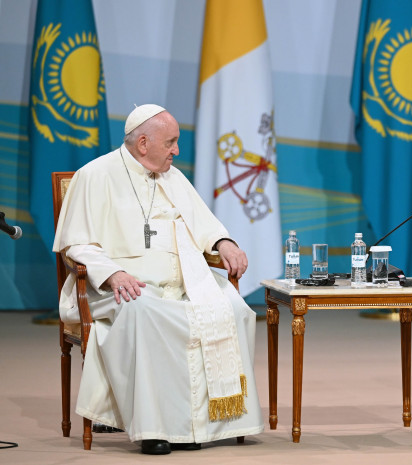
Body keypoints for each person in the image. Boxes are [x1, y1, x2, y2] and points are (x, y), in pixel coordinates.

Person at [53, 104, 263, 455]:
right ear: (143, 143)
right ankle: (154, 429)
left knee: (234, 308)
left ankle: (204, 423)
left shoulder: (172, 177)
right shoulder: (95, 175)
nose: (176, 150)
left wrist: (223, 242)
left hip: (183, 282)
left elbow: (204, 224)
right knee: (147, 312)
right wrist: (113, 273)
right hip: (120, 286)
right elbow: (76, 244)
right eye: (171, 142)